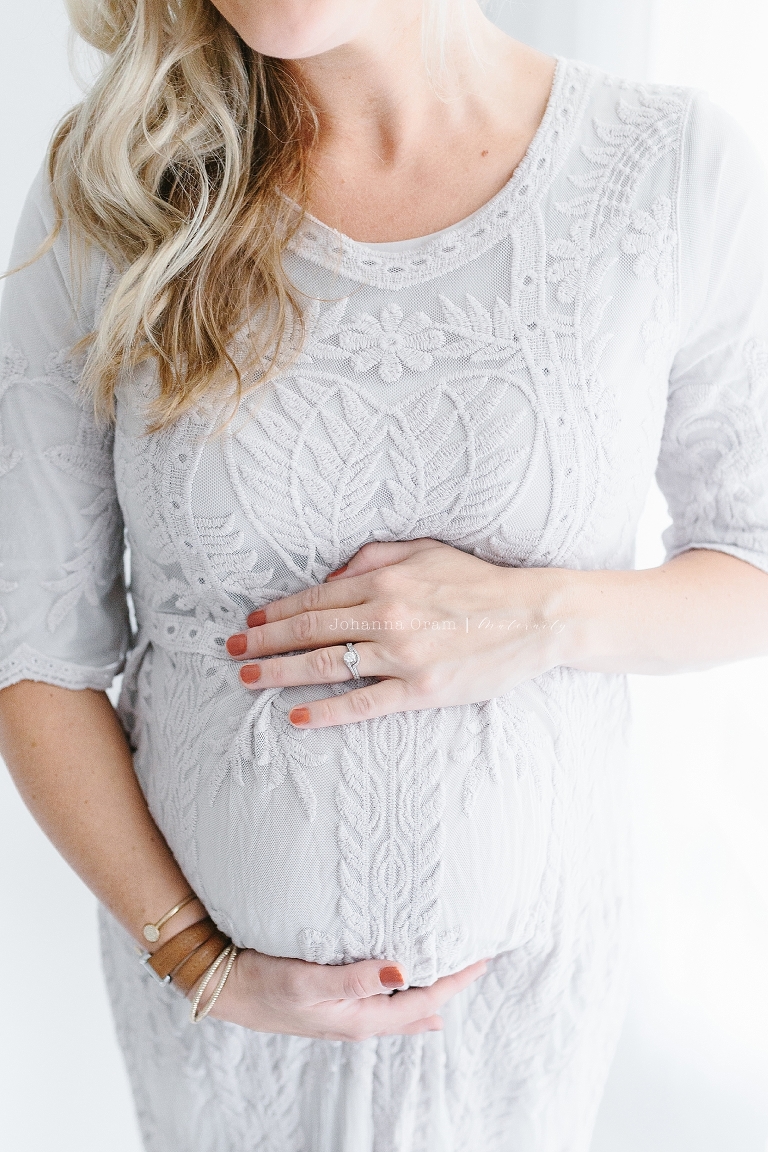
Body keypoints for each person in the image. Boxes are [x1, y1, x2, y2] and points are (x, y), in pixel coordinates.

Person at [1, 0, 768, 1148]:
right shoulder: (121, 185)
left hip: (518, 1031)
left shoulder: (672, 169)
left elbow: (753, 555)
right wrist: (197, 961)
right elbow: (33, 651)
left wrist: (544, 616)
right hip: (225, 1050)